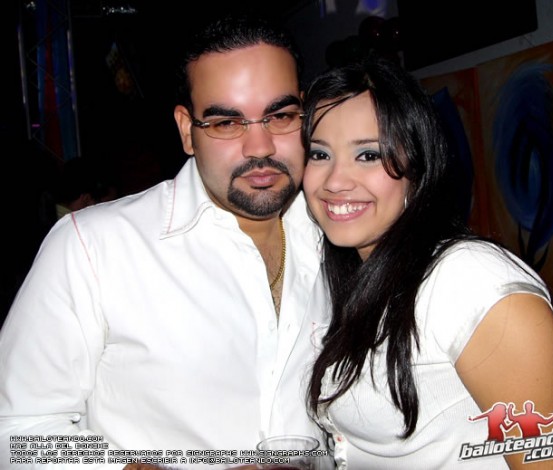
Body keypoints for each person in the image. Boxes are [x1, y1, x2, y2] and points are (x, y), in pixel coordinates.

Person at [0, 15, 331, 470]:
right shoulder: (93, 246)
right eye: (226, 122)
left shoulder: (341, 234)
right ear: (186, 130)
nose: (260, 146)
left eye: (280, 116)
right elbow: (18, 432)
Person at [300, 54, 553, 468]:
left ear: (417, 167)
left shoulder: (471, 282)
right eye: (320, 154)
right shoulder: (353, 276)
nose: (335, 181)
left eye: (369, 155)